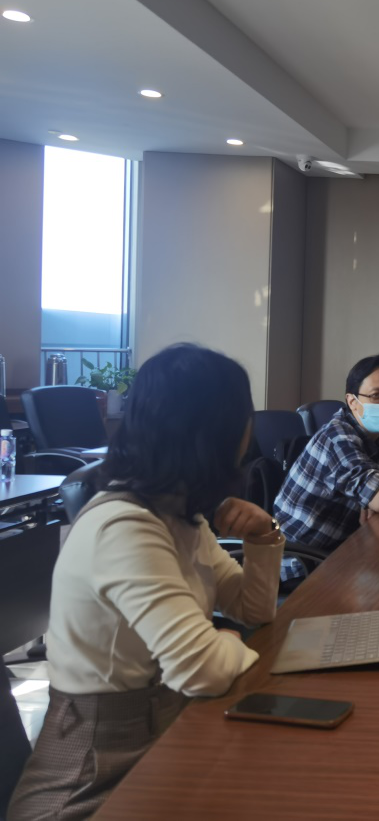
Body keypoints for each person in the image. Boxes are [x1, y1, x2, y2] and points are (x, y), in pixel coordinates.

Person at [9, 344, 284, 821]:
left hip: (162, 740)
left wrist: (263, 537)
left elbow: (253, 610)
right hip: (89, 782)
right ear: (215, 433)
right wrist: (227, 640)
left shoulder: (178, 514)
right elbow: (200, 670)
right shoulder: (125, 527)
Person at [275, 353, 379, 560]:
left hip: (346, 543)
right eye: (376, 395)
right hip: (302, 559)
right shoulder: (338, 438)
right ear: (352, 401)